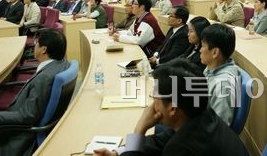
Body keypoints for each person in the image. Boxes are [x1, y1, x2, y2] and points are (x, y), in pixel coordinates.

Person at [93, 59, 248, 156]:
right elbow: (161, 141)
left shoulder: (181, 148)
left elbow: (172, 145)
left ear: (173, 108)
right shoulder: (201, 112)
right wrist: (118, 153)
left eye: (155, 97)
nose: (152, 105)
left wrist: (140, 128)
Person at [0, 29, 70, 156]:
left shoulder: (44, 79)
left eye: (36, 43)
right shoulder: (61, 64)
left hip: (16, 134)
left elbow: (28, 116)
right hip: (16, 122)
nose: (34, 45)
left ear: (43, 49)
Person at [200, 24, 240, 126]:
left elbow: (218, 127)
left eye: (203, 46)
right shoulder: (212, 66)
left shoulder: (223, 86)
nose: (200, 50)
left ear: (215, 52)